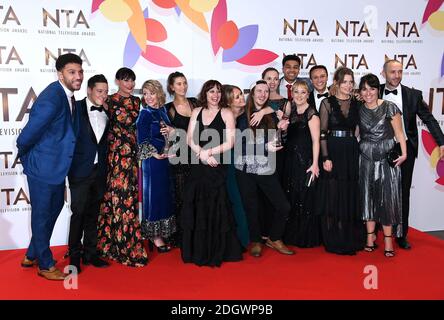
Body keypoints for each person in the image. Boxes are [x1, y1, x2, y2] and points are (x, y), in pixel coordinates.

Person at [17, 53, 84, 280]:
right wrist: (28, 159)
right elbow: (27, 135)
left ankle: (32, 252)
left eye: (80, 71)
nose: (78, 76)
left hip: (55, 169)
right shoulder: (52, 98)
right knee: (42, 214)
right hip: (43, 169)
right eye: (72, 72)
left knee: (52, 211)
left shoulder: (68, 96)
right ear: (60, 74)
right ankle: (45, 265)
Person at [380, 60, 444, 250]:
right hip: (379, 148)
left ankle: (401, 234)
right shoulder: (373, 90)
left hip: (404, 148)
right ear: (383, 73)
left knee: (402, 192)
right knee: (378, 191)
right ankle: (374, 232)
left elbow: (429, 118)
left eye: (400, 72)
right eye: (393, 72)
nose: (397, 75)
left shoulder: (413, 95)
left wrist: (441, 142)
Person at [181, 80, 243, 267]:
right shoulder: (196, 111)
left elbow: (230, 141)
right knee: (196, 203)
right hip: (198, 163)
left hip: (217, 164)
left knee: (216, 204)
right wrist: (201, 153)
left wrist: (210, 152)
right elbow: (189, 138)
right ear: (205, 94)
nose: (215, 95)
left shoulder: (227, 113)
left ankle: (216, 249)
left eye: (217, 92)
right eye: (211, 92)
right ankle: (196, 249)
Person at [234, 80, 293, 257]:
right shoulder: (242, 116)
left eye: (266, 91)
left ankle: (274, 238)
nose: (262, 94)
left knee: (283, 206)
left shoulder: (272, 114)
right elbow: (239, 145)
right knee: (251, 206)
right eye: (259, 91)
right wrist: (264, 147)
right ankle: (256, 241)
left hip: (265, 168)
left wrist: (283, 130)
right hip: (244, 169)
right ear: (252, 93)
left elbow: (279, 140)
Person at [97, 67, 148, 267]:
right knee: (115, 198)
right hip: (114, 156)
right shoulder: (108, 100)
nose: (130, 84)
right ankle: (111, 243)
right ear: (117, 81)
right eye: (126, 80)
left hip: (132, 157)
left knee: (128, 198)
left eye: (132, 81)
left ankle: (127, 242)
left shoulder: (137, 101)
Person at [317, 67, 365, 255]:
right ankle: (333, 236)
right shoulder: (327, 103)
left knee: (349, 192)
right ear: (336, 82)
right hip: (333, 149)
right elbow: (322, 133)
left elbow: (359, 128)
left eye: (351, 82)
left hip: (351, 149)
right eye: (345, 81)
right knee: (333, 193)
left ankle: (349, 235)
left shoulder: (357, 103)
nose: (348, 85)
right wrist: (325, 157)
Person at [358, 73, 407, 257]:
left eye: (372, 88)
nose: (368, 93)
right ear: (360, 92)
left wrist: (404, 154)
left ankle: (388, 239)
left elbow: (399, 133)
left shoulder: (389, 107)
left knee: (387, 199)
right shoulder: (359, 109)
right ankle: (370, 237)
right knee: (367, 197)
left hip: (387, 158)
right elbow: (356, 133)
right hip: (365, 158)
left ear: (378, 89)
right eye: (364, 89)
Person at [67, 74, 110, 273]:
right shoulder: (74, 108)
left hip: (100, 172)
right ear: (89, 90)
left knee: (93, 215)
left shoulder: (108, 112)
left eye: (106, 91)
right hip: (80, 171)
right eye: (100, 91)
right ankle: (74, 258)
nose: (103, 95)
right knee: (78, 215)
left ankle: (90, 254)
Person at [137, 80, 176, 253]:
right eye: (145, 93)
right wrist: (155, 154)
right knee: (152, 197)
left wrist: (170, 133)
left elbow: (170, 133)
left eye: (151, 93)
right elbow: (141, 139)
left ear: (159, 93)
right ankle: (154, 236)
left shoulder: (162, 111)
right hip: (152, 161)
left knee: (163, 195)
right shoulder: (144, 113)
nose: (148, 97)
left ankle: (163, 231)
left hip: (165, 159)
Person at [282, 81, 321, 248]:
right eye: (296, 92)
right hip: (290, 159)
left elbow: (316, 141)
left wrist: (315, 164)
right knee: (291, 195)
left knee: (305, 196)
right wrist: (282, 127)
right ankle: (291, 234)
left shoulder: (312, 113)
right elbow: (285, 136)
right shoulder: (290, 110)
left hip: (305, 160)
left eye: (302, 92)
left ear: (308, 94)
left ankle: (305, 235)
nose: (299, 95)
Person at [164, 72, 197, 247]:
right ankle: (181, 236)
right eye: (178, 84)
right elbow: (165, 137)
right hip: (179, 158)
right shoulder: (168, 108)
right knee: (181, 197)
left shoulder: (196, 103)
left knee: (197, 197)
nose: (183, 87)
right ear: (171, 87)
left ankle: (195, 234)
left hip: (198, 156)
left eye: (184, 83)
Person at [223, 84, 249, 249]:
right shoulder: (223, 117)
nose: (242, 98)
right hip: (226, 161)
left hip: (244, 163)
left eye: (241, 94)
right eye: (237, 96)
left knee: (239, 199)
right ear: (228, 102)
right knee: (229, 199)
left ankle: (242, 239)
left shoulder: (247, 115)